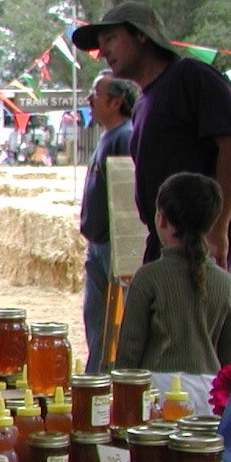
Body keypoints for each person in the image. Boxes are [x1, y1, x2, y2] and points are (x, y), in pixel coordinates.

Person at [74, 1, 231, 264]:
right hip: (164, 246)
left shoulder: (190, 77)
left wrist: (218, 227)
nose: (102, 52)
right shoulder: (143, 103)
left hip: (202, 245)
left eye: (111, 38)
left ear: (141, 35)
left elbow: (230, 144)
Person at [115, 172, 231, 415]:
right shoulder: (227, 282)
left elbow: (129, 352)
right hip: (210, 396)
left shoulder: (148, 277)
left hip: (157, 394)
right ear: (211, 223)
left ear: (161, 219)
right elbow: (228, 358)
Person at [79, 73, 140, 371]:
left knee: (113, 324)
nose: (89, 101)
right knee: (96, 322)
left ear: (116, 102)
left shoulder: (125, 137)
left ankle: (107, 379)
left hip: (113, 245)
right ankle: (96, 376)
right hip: (99, 244)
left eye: (95, 94)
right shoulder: (108, 136)